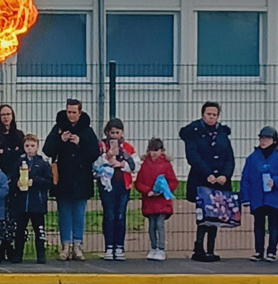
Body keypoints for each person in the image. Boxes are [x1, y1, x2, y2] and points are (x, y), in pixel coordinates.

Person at [43, 98, 99, 261]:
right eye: (69, 112)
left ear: (80, 113)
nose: (71, 115)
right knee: (64, 212)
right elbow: (47, 150)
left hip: (81, 178)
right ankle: (65, 245)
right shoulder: (59, 128)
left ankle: (77, 245)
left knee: (79, 212)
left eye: (74, 112)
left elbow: (94, 153)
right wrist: (60, 141)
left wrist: (80, 142)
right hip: (63, 178)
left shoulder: (87, 131)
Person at [179, 102, 235, 262]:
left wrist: (225, 175)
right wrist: (207, 174)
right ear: (203, 114)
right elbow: (193, 156)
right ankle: (199, 248)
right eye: (208, 114)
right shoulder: (194, 133)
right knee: (203, 216)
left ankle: (211, 249)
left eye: (214, 114)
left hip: (219, 182)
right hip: (201, 180)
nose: (211, 117)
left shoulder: (222, 134)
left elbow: (229, 157)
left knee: (215, 215)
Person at [240, 126, 278, 262]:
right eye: (262, 138)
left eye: (267, 138)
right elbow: (245, 178)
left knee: (273, 224)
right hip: (258, 198)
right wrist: (245, 197)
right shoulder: (252, 158)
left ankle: (271, 251)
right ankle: (258, 251)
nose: (263, 141)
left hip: (274, 198)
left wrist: (276, 181)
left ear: (274, 141)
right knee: (258, 225)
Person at [0, 104, 26, 262]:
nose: (6, 117)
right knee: (1, 214)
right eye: (3, 114)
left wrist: (7, 151)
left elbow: (19, 155)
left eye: (8, 114)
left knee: (13, 214)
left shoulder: (19, 134)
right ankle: (0, 245)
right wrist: (11, 151)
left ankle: (11, 244)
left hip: (15, 178)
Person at [96, 118, 137, 260]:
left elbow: (135, 165)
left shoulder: (128, 148)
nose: (114, 135)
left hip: (123, 185)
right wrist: (107, 157)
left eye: (117, 132)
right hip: (107, 185)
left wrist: (121, 163)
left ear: (122, 133)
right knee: (109, 215)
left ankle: (119, 247)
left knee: (120, 216)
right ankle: (109, 246)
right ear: (107, 133)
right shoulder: (101, 146)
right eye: (111, 132)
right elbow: (95, 166)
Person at [9, 134, 54, 264]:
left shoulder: (43, 163)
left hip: (37, 203)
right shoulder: (18, 162)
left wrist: (35, 181)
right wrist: (17, 183)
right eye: (27, 146)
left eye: (32, 146)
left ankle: (41, 255)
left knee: (39, 230)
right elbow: (12, 178)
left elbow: (49, 182)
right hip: (21, 203)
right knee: (19, 230)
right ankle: (18, 255)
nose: (29, 148)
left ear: (37, 147)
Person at [134, 138, 178, 261]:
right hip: (149, 200)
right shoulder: (144, 166)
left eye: (156, 150)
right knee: (152, 226)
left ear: (162, 151)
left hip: (162, 201)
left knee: (160, 224)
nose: (154, 153)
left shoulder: (166, 165)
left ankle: (161, 248)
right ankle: (153, 248)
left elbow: (173, 181)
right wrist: (148, 191)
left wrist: (163, 190)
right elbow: (139, 182)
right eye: (151, 150)